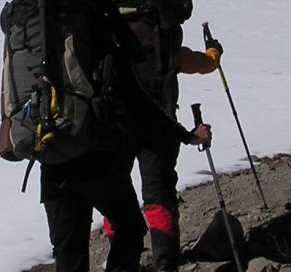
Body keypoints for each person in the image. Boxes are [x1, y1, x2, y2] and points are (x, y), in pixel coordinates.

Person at [103, 0, 222, 272]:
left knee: (115, 195)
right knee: (158, 195)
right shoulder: (165, 41)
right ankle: (165, 262)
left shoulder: (112, 37)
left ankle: (119, 261)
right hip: (161, 126)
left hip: (114, 125)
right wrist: (214, 53)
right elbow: (205, 64)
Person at [40, 67, 212, 272]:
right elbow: (137, 100)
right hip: (96, 159)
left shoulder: (28, 41)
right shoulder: (99, 37)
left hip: (52, 162)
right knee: (130, 228)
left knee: (69, 252)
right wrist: (185, 136)